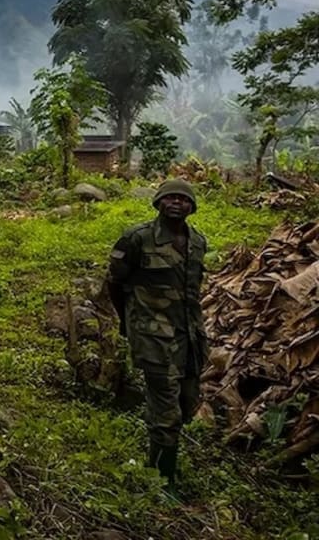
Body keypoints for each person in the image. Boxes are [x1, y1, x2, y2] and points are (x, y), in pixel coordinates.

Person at [106, 178, 208, 499]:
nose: (176, 203)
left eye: (183, 199)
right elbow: (114, 283)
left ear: (192, 206)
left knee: (186, 403)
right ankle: (163, 483)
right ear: (158, 203)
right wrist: (129, 323)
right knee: (167, 412)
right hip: (154, 338)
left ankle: (163, 459)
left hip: (190, 337)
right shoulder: (137, 239)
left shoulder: (198, 242)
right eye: (170, 198)